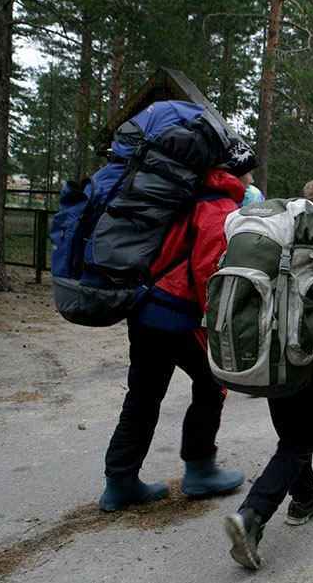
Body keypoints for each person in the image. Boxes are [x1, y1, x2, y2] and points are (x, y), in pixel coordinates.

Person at [97, 143, 257, 512]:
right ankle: (200, 469)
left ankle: (119, 482)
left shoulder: (188, 196)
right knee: (214, 382)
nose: (253, 177)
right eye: (250, 169)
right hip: (178, 314)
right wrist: (219, 325)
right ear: (236, 172)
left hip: (146, 308)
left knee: (143, 394)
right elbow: (208, 273)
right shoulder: (218, 207)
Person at [224, 179, 313, 571]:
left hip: (270, 361)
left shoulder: (276, 249)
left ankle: (305, 497)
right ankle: (251, 516)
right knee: (297, 445)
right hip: (308, 366)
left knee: (292, 436)